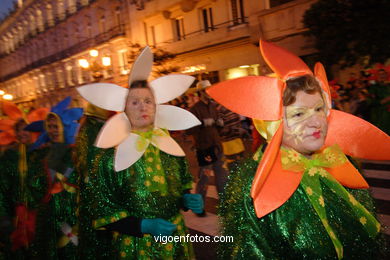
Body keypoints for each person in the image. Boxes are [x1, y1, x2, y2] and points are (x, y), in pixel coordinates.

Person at [208, 40, 390, 259]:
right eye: (298, 114)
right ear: (272, 125)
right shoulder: (253, 187)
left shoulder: (338, 162)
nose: (316, 122)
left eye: (319, 109)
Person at [76, 46, 203, 259]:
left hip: (176, 241)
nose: (143, 107)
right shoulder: (109, 156)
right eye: (135, 102)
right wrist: (142, 225)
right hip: (136, 248)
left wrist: (187, 200)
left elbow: (180, 188)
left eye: (148, 101)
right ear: (124, 108)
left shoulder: (168, 146)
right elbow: (101, 209)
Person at [24, 97, 83, 260]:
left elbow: (82, 180)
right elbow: (33, 184)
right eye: (49, 126)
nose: (53, 130)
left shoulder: (76, 153)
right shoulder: (40, 155)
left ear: (64, 127)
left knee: (71, 251)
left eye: (56, 126)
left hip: (72, 213)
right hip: (48, 215)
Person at [0, 102, 48, 259]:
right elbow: (3, 185)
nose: (22, 134)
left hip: (40, 211)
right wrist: (4, 214)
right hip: (17, 213)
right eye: (18, 130)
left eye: (26, 129)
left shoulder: (42, 153)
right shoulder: (10, 155)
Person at [186, 80, 229, 216]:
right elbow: (189, 129)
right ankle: (199, 207)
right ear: (200, 93)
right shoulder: (195, 109)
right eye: (206, 90)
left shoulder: (213, 107)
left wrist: (219, 124)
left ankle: (224, 204)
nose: (209, 93)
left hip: (217, 146)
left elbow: (218, 129)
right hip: (204, 148)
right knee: (204, 178)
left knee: (222, 177)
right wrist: (202, 123)